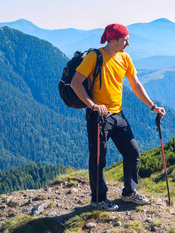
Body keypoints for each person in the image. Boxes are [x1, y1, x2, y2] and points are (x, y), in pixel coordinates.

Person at [71, 23, 165, 211]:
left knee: (132, 153)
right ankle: (98, 199)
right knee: (98, 159)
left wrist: (152, 106)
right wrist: (93, 105)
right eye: (125, 40)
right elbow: (75, 83)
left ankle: (129, 193)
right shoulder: (94, 57)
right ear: (112, 40)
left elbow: (136, 84)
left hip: (118, 115)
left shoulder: (124, 58)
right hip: (98, 117)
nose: (128, 43)